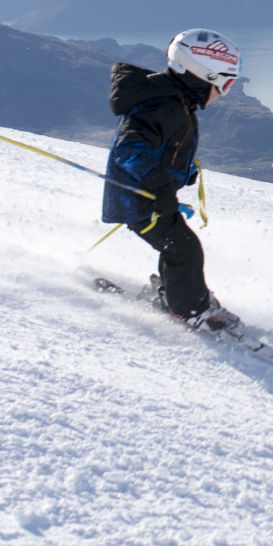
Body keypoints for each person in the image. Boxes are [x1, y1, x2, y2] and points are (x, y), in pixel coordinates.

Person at [105, 28, 242, 330]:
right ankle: (190, 310)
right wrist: (158, 184)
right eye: (226, 83)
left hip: (151, 196)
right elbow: (130, 150)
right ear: (202, 74)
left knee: (176, 245)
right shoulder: (162, 105)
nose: (224, 91)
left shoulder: (174, 101)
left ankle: (175, 294)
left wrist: (183, 172)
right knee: (184, 248)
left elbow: (165, 147)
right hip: (140, 199)